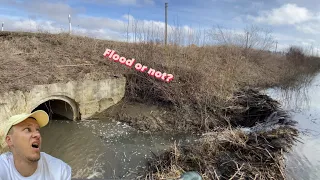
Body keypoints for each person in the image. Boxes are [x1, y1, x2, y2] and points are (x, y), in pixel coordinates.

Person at [0, 110, 72, 180]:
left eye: (37, 130)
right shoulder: (2, 167)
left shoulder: (60, 171)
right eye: (28, 129)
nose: (38, 134)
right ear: (9, 140)